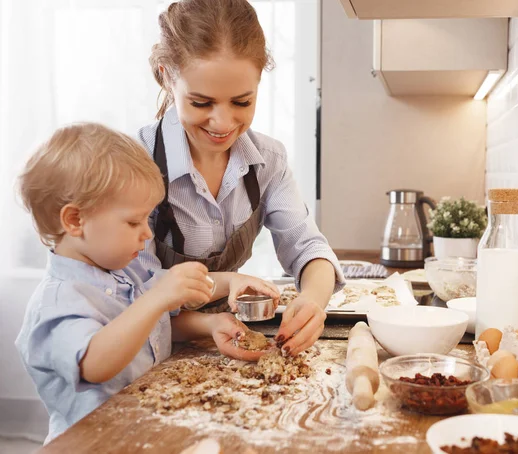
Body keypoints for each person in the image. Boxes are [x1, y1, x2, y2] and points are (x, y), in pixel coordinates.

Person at [15, 123, 271, 443]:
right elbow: (96, 363)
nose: (147, 233)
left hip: (147, 431)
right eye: (134, 221)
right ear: (75, 221)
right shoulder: (58, 302)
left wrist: (218, 307)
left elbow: (152, 326)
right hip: (95, 444)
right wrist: (156, 299)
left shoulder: (126, 271)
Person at [138, 0, 345, 357]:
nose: (223, 123)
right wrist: (223, 288)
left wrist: (313, 301)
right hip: (147, 351)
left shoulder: (268, 161)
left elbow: (308, 248)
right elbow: (134, 298)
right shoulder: (137, 163)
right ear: (167, 76)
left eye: (242, 102)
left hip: (222, 342)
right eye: (201, 103)